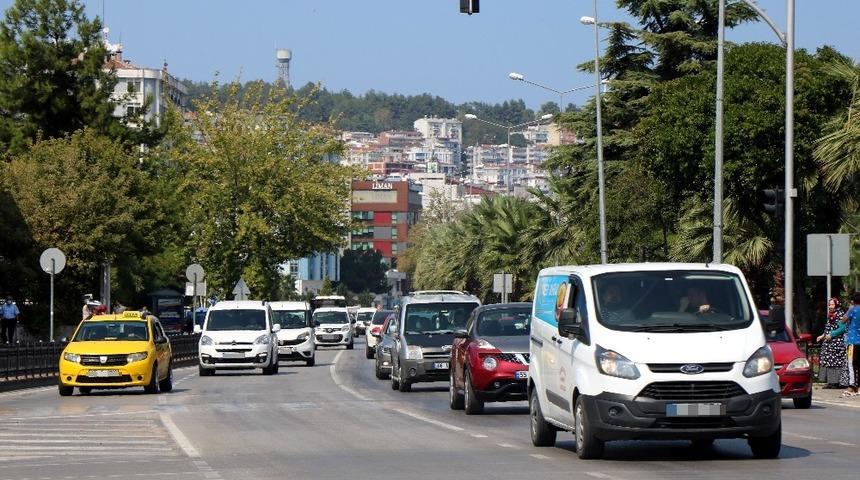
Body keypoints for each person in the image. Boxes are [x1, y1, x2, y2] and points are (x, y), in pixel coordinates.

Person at [822, 292, 860, 397]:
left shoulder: (853, 310)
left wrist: (849, 309)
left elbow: (841, 322)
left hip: (853, 341)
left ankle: (852, 387)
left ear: (853, 301)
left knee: (852, 365)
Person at [816, 297, 847, 388]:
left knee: (836, 362)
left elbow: (843, 328)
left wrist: (832, 335)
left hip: (837, 343)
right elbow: (828, 328)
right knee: (828, 361)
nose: (830, 306)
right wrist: (822, 336)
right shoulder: (831, 315)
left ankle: (836, 382)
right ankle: (830, 382)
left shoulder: (840, 314)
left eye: (832, 304)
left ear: (837, 305)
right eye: (829, 305)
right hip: (829, 342)